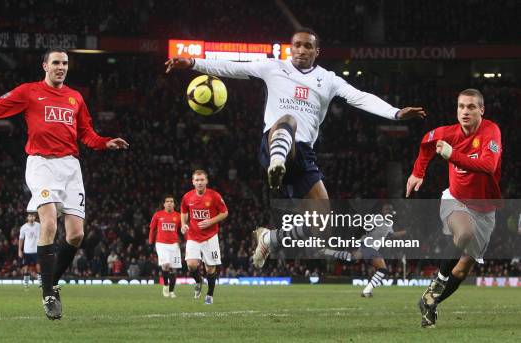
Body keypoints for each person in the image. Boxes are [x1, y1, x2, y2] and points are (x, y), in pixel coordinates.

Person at [165, 28, 426, 268]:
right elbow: (232, 66)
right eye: (297, 45)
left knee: (322, 226)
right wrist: (193, 63)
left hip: (305, 155)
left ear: (316, 51)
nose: (301, 50)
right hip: (274, 142)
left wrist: (395, 113)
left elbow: (359, 97)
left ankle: (270, 238)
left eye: (307, 46)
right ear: (291, 48)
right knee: (287, 120)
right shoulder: (273, 67)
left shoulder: (328, 79)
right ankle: (277, 162)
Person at [0, 47, 129, 320]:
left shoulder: (75, 98)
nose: (61, 67)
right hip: (42, 165)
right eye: (56, 63)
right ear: (45, 66)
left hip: (70, 166)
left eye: (65, 63)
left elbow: (86, 134)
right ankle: (48, 293)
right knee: (48, 222)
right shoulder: (29, 92)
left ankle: (50, 281)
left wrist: (105, 142)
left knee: (76, 235)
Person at [406, 88, 501, 328]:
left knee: (461, 272)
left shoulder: (491, 131)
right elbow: (427, 141)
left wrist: (452, 155)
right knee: (464, 232)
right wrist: (418, 172)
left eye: (471, 107)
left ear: (481, 110)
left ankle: (430, 302)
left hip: (486, 211)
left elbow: (488, 166)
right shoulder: (448, 132)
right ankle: (438, 280)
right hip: (455, 199)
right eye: (461, 106)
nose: (465, 111)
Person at [321, 203, 406, 297]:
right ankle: (366, 291)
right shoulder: (377, 218)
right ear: (382, 211)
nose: (388, 211)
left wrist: (405, 232)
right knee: (382, 269)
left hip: (368, 247)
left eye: (389, 210)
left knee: (351, 258)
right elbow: (363, 228)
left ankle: (328, 251)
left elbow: (391, 235)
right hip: (367, 246)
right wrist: (364, 229)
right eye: (386, 209)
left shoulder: (389, 223)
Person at [180, 170, 228, 304]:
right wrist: (183, 224)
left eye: (202, 180)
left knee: (210, 268)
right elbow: (183, 212)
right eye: (197, 180)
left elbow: (225, 213)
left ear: (206, 181)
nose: (200, 182)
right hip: (193, 236)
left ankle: (209, 295)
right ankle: (199, 281)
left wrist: (211, 221)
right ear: (193, 182)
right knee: (191, 265)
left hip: (210, 237)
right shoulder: (187, 197)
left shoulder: (214, 196)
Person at [149, 196, 182, 298]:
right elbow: (152, 229)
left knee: (173, 269)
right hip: (161, 244)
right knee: (166, 265)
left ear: (174, 204)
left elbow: (183, 230)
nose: (169, 203)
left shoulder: (178, 216)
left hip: (174, 245)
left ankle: (171, 292)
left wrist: (189, 239)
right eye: (167, 201)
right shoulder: (158, 215)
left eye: (171, 201)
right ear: (164, 204)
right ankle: (165, 286)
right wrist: (151, 242)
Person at [18, 213, 41, 288]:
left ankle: (40, 283)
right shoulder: (23, 227)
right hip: (27, 251)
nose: (31, 218)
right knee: (26, 268)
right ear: (27, 217)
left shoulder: (39, 225)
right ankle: (26, 284)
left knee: (38, 266)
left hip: (36, 250)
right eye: (30, 216)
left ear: (35, 217)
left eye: (33, 216)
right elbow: (21, 239)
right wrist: (19, 250)